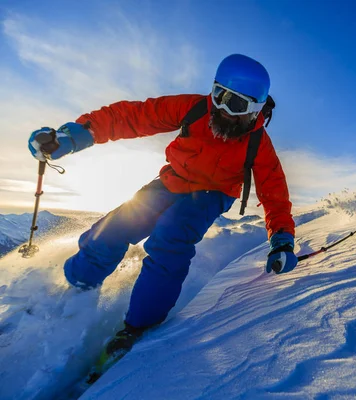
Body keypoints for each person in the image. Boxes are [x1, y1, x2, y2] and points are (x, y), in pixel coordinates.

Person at [27, 54, 297, 357]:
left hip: (211, 195)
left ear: (255, 110)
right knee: (115, 227)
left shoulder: (258, 143)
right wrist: (78, 134)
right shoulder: (195, 108)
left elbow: (275, 193)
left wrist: (282, 239)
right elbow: (135, 116)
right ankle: (78, 286)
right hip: (172, 180)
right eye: (219, 96)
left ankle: (139, 326)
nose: (221, 109)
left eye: (235, 105)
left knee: (170, 238)